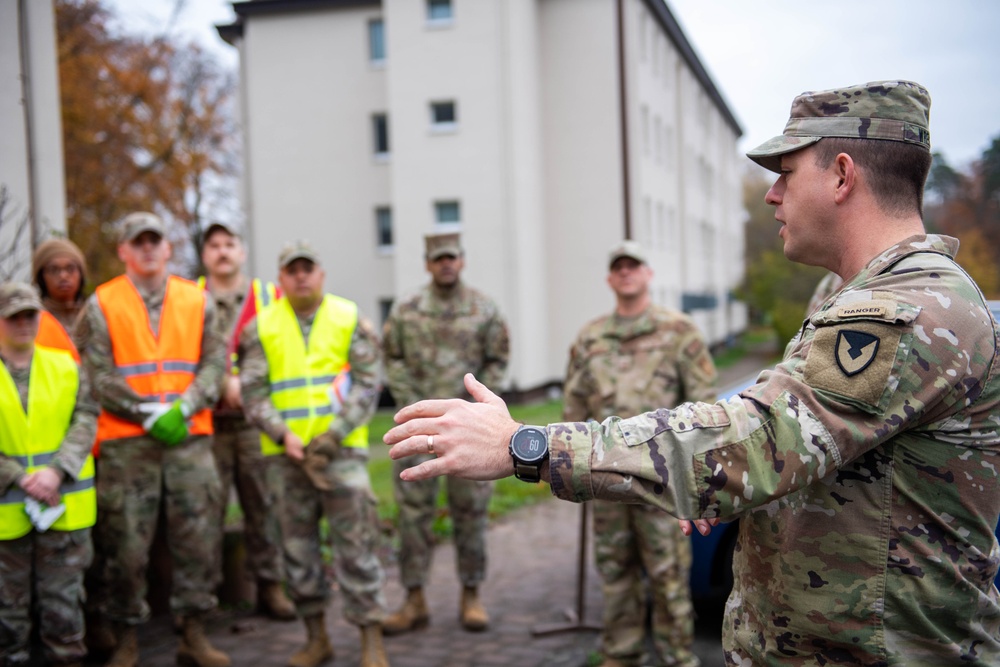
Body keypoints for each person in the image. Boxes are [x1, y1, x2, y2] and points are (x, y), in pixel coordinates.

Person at [383, 80, 1000, 665]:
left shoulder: (909, 311)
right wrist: (723, 485)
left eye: (785, 174)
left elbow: (754, 440)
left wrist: (528, 445)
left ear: (842, 175)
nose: (771, 195)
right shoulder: (853, 297)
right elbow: (793, 446)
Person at [74, 212, 230, 667]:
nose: (146, 249)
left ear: (167, 248)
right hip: (128, 445)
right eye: (137, 242)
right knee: (125, 545)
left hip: (189, 440)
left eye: (154, 241)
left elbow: (216, 363)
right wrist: (147, 412)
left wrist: (182, 408)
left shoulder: (197, 300)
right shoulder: (102, 304)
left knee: (198, 539)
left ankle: (193, 632)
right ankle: (125, 637)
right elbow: (96, 374)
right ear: (123, 250)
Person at [563, 240, 717, 667]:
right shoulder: (591, 337)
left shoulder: (679, 331)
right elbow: (574, 410)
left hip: (662, 484)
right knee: (616, 576)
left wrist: (698, 478)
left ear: (649, 274)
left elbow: (705, 410)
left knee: (668, 579)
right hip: (606, 482)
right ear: (610, 278)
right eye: (619, 267)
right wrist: (566, 470)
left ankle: (677, 657)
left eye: (634, 265)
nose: (626, 272)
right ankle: (621, 654)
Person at [240, 240, 389, 667]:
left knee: (357, 545)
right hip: (286, 459)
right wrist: (281, 433)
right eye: (292, 270)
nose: (301, 276)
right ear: (281, 278)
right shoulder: (261, 327)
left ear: (321, 274)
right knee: (297, 552)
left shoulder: (348, 317)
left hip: (341, 456)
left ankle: (371, 643)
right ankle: (316, 638)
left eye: (308, 268)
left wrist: (337, 432)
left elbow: (367, 382)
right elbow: (252, 391)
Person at [380, 232, 510, 635]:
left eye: (451, 257)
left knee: (470, 513)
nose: (446, 264)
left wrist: (474, 408)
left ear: (462, 260)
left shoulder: (483, 308)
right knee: (413, 515)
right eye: (438, 259)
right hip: (419, 429)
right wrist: (414, 401)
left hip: (472, 431)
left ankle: (471, 594)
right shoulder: (407, 309)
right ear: (427, 263)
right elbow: (392, 356)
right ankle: (413, 597)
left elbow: (498, 357)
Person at [197, 220, 294, 621]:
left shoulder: (269, 296)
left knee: (263, 505)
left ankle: (269, 588)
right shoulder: (189, 298)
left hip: (256, 422)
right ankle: (206, 597)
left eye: (229, 244)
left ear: (242, 252)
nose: (222, 251)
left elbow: (285, 345)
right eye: (214, 245)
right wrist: (218, 381)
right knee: (204, 510)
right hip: (207, 424)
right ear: (205, 255)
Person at [0, 282, 97, 667]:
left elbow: (86, 418)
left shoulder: (66, 367)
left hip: (63, 510)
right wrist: (19, 477)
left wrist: (57, 471)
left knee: (65, 608)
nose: (24, 323)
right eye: (14, 317)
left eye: (30, 315)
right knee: (7, 615)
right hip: (7, 516)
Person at [32, 238, 87, 360]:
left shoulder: (96, 314)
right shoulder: (32, 319)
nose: (63, 276)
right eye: (54, 270)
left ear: (81, 274)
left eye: (70, 268)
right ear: (41, 277)